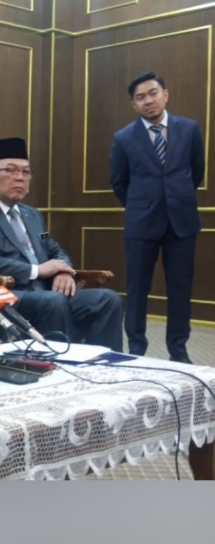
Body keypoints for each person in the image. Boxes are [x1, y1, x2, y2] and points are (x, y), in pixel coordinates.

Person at [0, 137, 124, 351]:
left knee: (107, 299)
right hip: (7, 294)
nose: (19, 177)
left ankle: (104, 363)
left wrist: (63, 271)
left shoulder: (32, 215)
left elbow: (54, 248)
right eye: (10, 170)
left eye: (26, 172)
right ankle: (60, 362)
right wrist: (37, 270)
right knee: (53, 301)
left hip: (47, 291)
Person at [110, 72, 205, 363]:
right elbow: (119, 182)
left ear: (166, 94)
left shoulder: (189, 129)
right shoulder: (124, 137)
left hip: (181, 221)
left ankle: (179, 349)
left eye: (153, 93)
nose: (148, 100)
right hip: (141, 224)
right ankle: (137, 349)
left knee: (180, 289)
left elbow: (196, 171)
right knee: (138, 289)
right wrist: (141, 206)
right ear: (134, 105)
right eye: (140, 97)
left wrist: (175, 199)